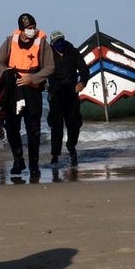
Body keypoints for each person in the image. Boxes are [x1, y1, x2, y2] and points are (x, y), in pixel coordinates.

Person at [0, 13, 54, 178]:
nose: (32, 31)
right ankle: (18, 160)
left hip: (33, 88)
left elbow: (50, 67)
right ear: (21, 29)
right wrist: (7, 75)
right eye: (29, 28)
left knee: (33, 128)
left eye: (34, 27)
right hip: (13, 89)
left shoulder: (42, 42)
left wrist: (32, 78)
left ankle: (34, 164)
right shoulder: (10, 42)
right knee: (12, 127)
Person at [46, 30, 91, 168]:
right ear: (52, 44)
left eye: (61, 40)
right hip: (55, 95)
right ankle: (55, 155)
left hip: (71, 94)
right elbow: (40, 71)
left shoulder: (73, 52)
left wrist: (82, 83)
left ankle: (71, 148)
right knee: (56, 126)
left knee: (74, 125)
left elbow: (84, 70)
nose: (60, 44)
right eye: (56, 42)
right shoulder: (48, 55)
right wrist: (42, 83)